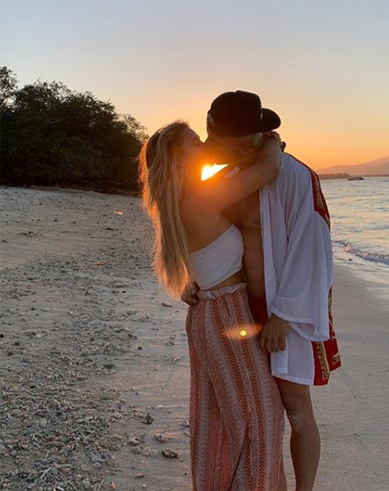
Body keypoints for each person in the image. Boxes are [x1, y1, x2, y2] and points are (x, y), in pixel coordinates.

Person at [182, 91, 342, 491]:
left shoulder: (294, 176)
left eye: (214, 142)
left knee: (296, 413)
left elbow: (313, 248)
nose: (208, 150)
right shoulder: (234, 177)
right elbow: (203, 233)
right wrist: (194, 277)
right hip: (239, 314)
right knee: (247, 413)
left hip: (280, 317)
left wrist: (284, 316)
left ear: (244, 142)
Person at [138, 120, 287, 491]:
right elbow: (268, 169)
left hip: (207, 314)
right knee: (261, 418)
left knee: (218, 423)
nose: (204, 144)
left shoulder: (181, 199)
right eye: (194, 142)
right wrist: (271, 139)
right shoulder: (202, 195)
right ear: (178, 158)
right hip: (226, 316)